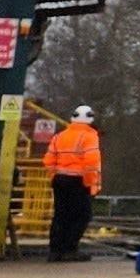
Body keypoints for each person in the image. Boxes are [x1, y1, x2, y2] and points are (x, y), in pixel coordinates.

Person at [45, 105, 103, 261]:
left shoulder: (59, 136)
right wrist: (91, 184)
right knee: (82, 216)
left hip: (60, 180)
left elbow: (49, 160)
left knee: (60, 215)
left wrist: (55, 176)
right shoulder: (89, 136)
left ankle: (55, 251)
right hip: (79, 181)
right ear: (91, 118)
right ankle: (70, 250)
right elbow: (91, 162)